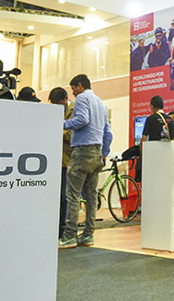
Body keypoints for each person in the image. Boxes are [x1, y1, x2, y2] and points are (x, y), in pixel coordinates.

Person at [59, 74, 112, 249]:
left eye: (73, 88)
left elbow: (82, 119)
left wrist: (61, 123)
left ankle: (69, 236)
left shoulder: (82, 98)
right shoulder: (101, 103)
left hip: (82, 151)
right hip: (97, 152)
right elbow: (108, 132)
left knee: (73, 195)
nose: (73, 93)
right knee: (91, 196)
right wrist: (104, 153)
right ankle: (88, 234)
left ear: (79, 85)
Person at [48, 87, 73, 239]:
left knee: (65, 197)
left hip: (68, 161)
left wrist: (57, 130)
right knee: (55, 197)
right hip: (54, 161)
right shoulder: (51, 112)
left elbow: (72, 134)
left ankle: (64, 230)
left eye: (58, 103)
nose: (56, 107)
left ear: (65, 100)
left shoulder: (75, 109)